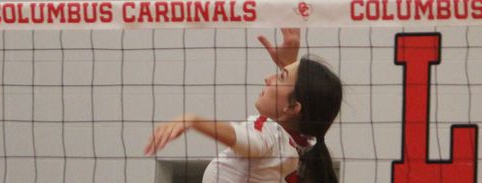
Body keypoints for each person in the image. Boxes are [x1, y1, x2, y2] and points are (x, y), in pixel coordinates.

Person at [144, 28, 343, 183]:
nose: (267, 78)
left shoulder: (270, 132)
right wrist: (288, 66)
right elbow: (297, 107)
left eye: (280, 77)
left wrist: (192, 120)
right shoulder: (305, 148)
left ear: (293, 108)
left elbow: (248, 141)